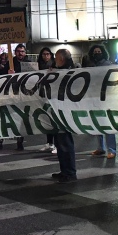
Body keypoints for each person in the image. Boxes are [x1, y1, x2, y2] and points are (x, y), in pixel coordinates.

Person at [51, 49, 78, 183]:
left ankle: (70, 172)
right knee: (60, 143)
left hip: (64, 112)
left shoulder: (69, 71)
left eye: (56, 57)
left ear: (61, 59)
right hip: (58, 111)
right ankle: (65, 171)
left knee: (65, 143)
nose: (55, 60)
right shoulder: (59, 70)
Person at [86, 44, 117, 159]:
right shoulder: (91, 65)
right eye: (95, 52)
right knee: (97, 123)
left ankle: (112, 150)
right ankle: (100, 148)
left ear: (103, 53)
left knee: (108, 124)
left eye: (99, 51)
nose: (97, 53)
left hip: (106, 98)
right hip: (94, 98)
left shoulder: (108, 65)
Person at [36, 47, 58, 153]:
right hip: (42, 95)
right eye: (44, 54)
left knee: (54, 121)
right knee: (47, 121)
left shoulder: (55, 65)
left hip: (53, 96)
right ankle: (50, 143)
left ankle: (56, 145)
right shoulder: (37, 66)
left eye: (48, 54)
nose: (46, 56)